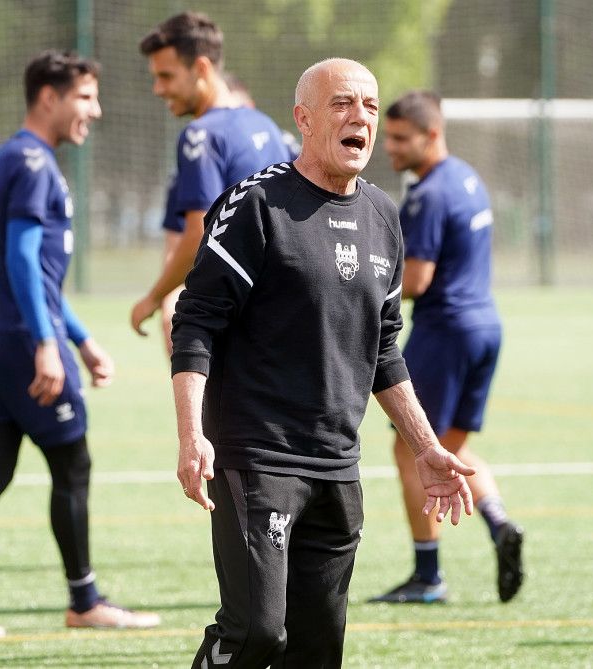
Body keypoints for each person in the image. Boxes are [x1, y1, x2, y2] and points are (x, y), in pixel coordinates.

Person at [171, 58, 476, 667]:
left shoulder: (384, 216)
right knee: (256, 634)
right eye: (342, 103)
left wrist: (424, 446)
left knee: (316, 652)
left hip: (339, 468)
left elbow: (384, 348)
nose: (360, 116)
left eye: (368, 104)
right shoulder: (256, 205)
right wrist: (191, 435)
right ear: (304, 119)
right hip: (260, 459)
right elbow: (195, 321)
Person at [0, 50, 160, 637]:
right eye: (85, 97)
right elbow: (22, 261)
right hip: (22, 343)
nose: (95, 111)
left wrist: (81, 338)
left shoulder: (6, 157)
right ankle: (85, 602)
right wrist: (48, 346)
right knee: (73, 465)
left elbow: (39, 278)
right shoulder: (35, 165)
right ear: (48, 97)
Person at [370, 90, 524, 605]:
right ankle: (499, 522)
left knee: (408, 446)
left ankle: (427, 575)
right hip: (486, 326)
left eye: (398, 138)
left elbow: (415, 279)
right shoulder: (467, 177)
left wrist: (359, 287)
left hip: (445, 331)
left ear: (431, 134)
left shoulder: (429, 193)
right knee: (450, 450)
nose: (387, 147)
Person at [131, 11, 294, 355]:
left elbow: (198, 233)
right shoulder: (265, 124)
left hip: (235, 321)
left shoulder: (201, 136)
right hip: (283, 313)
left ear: (201, 68)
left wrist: (154, 298)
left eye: (166, 76)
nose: (158, 89)